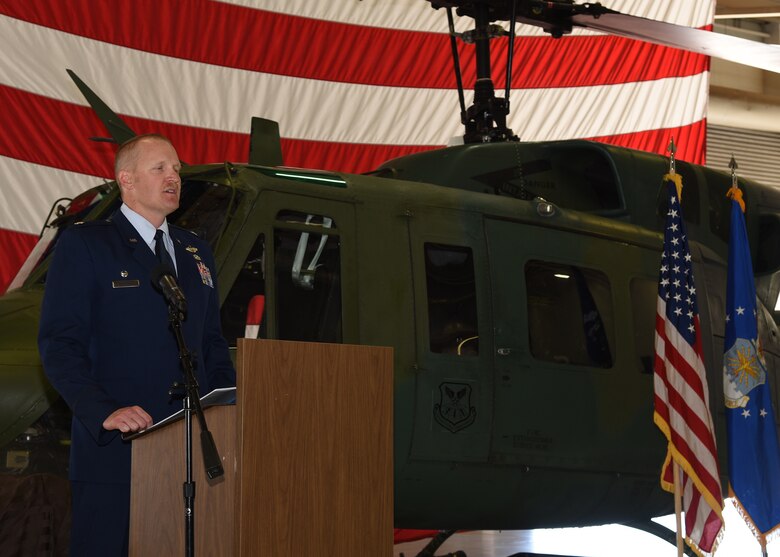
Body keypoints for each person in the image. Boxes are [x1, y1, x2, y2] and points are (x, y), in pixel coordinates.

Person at [38, 134, 236, 556]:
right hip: (119, 451)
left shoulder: (196, 251)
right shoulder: (87, 243)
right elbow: (60, 344)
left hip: (189, 452)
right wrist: (103, 410)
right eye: (160, 168)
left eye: (177, 169)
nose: (174, 177)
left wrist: (229, 411)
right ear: (125, 179)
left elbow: (212, 343)